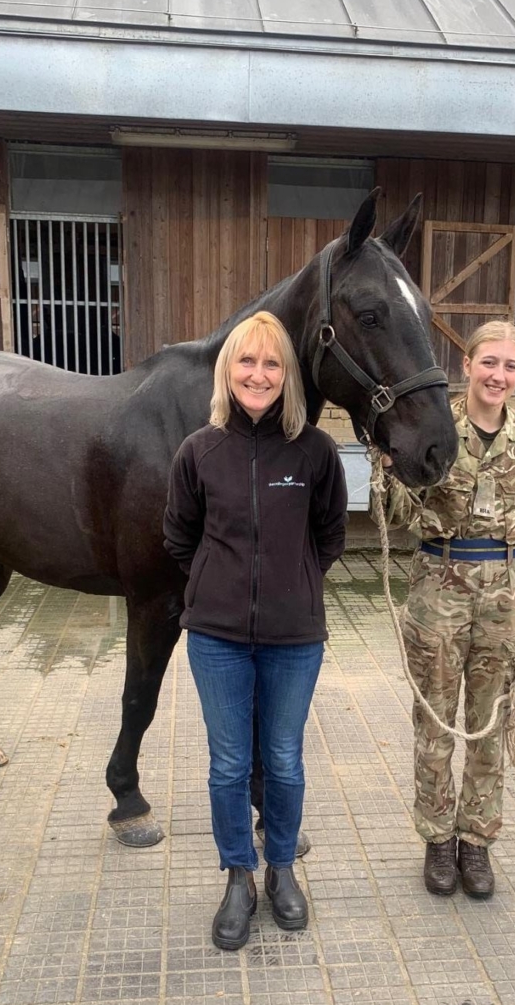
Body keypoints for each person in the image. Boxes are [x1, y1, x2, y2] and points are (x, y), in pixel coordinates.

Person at [163, 311, 347, 951]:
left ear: (287, 376)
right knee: (230, 764)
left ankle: (281, 871)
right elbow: (179, 536)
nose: (259, 374)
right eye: (247, 361)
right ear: (228, 371)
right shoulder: (199, 451)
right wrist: (214, 584)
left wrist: (294, 581)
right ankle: (237, 876)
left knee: (285, 760)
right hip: (216, 638)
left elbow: (329, 537)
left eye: (272, 364)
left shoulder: (316, 453)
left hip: (295, 639)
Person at [370, 320, 515, 899]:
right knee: (434, 724)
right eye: (488, 363)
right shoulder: (435, 428)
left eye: (510, 365)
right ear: (467, 366)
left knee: (491, 725)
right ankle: (436, 838)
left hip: (508, 596)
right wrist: (384, 466)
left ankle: (475, 842)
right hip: (439, 589)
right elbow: (403, 517)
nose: (498, 375)